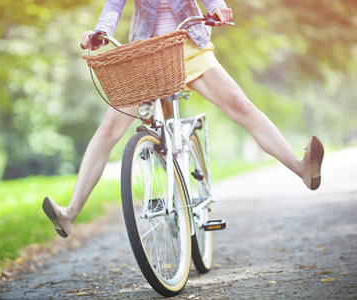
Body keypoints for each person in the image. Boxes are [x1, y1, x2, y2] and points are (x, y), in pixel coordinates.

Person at [42, 0, 324, 238]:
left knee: (241, 105)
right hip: (146, 53)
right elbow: (113, 6)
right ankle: (70, 213)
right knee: (108, 130)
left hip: (189, 47)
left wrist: (218, 7)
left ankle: (301, 169)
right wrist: (100, 32)